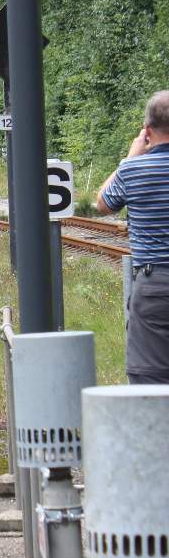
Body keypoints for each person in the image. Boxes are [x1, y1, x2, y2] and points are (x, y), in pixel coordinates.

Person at [98, 90, 169, 383]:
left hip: (154, 285)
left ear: (148, 131)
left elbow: (102, 204)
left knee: (151, 378)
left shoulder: (133, 169)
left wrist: (129, 157)